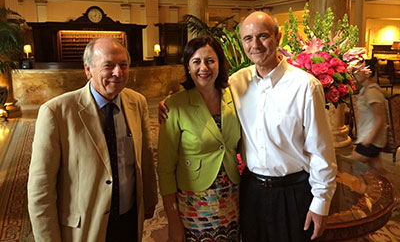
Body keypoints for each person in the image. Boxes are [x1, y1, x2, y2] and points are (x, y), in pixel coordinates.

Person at [159, 12, 337, 242]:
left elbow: (321, 149)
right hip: (250, 191)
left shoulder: (304, 86)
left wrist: (321, 203)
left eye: (263, 36)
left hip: (293, 191)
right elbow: (202, 89)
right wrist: (168, 103)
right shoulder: (237, 82)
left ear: (278, 37)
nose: (255, 45)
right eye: (248, 38)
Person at [27, 37, 158, 242]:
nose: (118, 72)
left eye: (123, 65)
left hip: (129, 220)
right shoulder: (56, 112)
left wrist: (149, 199)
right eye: (109, 66)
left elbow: (145, 156)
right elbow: (40, 189)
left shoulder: (137, 102)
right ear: (88, 70)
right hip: (85, 228)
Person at [157, 36, 241, 242]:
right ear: (187, 66)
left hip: (232, 196)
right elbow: (165, 168)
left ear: (220, 64)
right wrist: (173, 218)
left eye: (210, 60)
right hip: (195, 202)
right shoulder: (174, 105)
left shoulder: (235, 98)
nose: (204, 67)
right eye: (196, 61)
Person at [351, 59, 390, 178]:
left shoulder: (372, 92)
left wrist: (368, 140)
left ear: (367, 73)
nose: (356, 75)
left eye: (358, 71)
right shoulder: (365, 90)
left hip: (371, 139)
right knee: (377, 167)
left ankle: (359, 193)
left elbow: (379, 119)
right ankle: (395, 194)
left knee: (352, 164)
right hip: (369, 138)